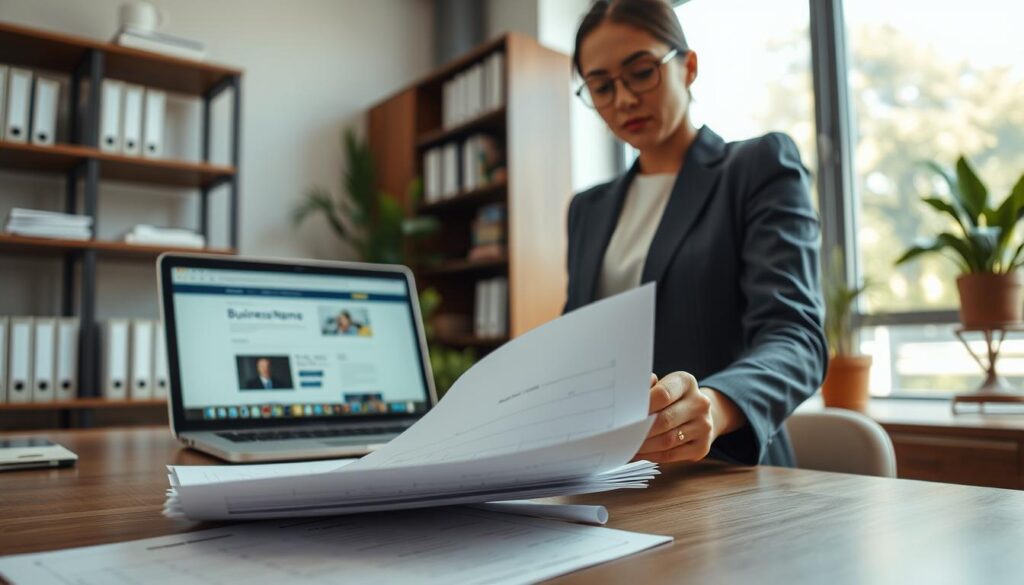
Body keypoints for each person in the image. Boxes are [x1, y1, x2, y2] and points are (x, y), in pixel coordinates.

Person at [565, 0, 827, 467]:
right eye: (601, 86)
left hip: (724, 473)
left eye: (641, 72)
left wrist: (716, 404)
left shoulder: (756, 168)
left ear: (688, 67)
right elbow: (578, 347)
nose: (623, 99)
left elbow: (796, 336)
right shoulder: (588, 209)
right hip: (610, 473)